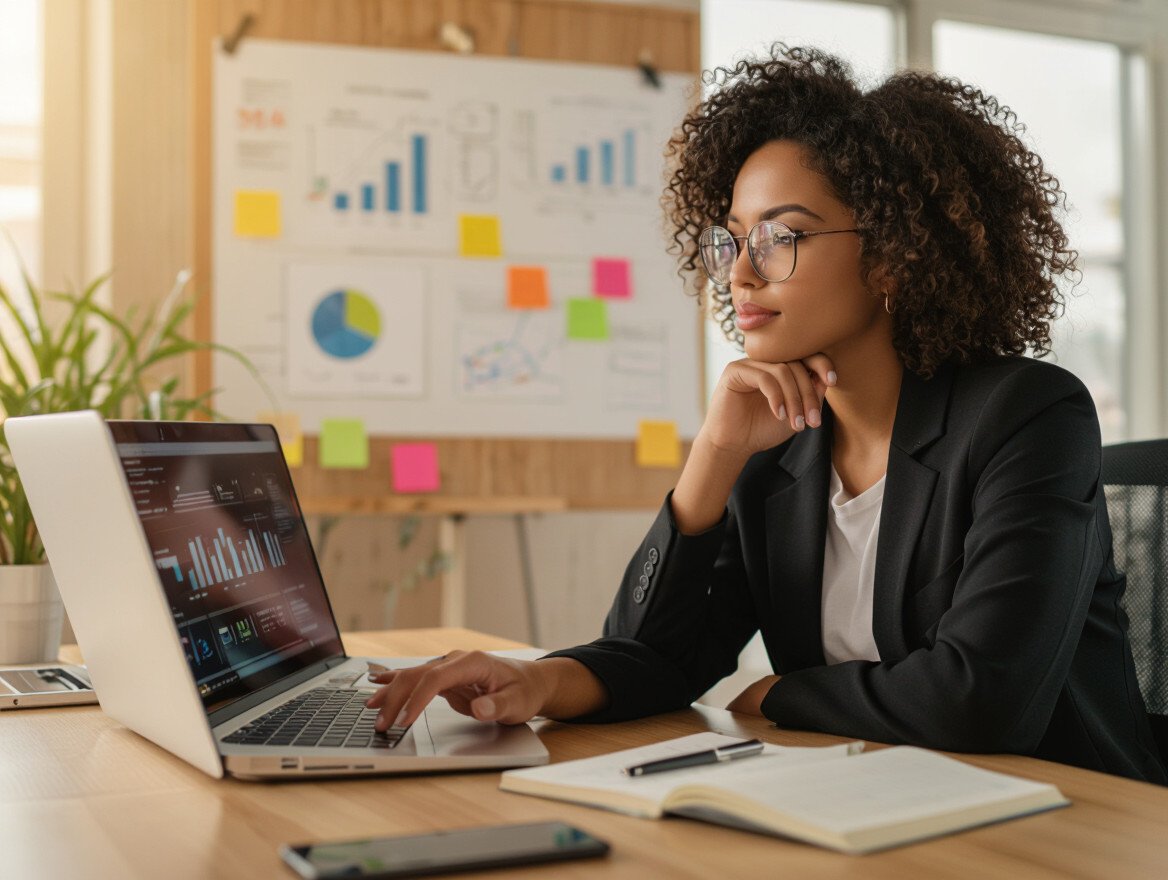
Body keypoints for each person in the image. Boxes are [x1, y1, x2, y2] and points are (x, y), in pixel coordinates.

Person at [367, 46, 1167, 784]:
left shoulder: (1026, 416)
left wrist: (776, 691)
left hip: (1061, 814)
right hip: (873, 798)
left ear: (891, 250)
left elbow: (979, 700)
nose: (740, 274)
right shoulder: (780, 443)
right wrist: (541, 675)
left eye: (783, 236)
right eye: (732, 240)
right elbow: (659, 656)